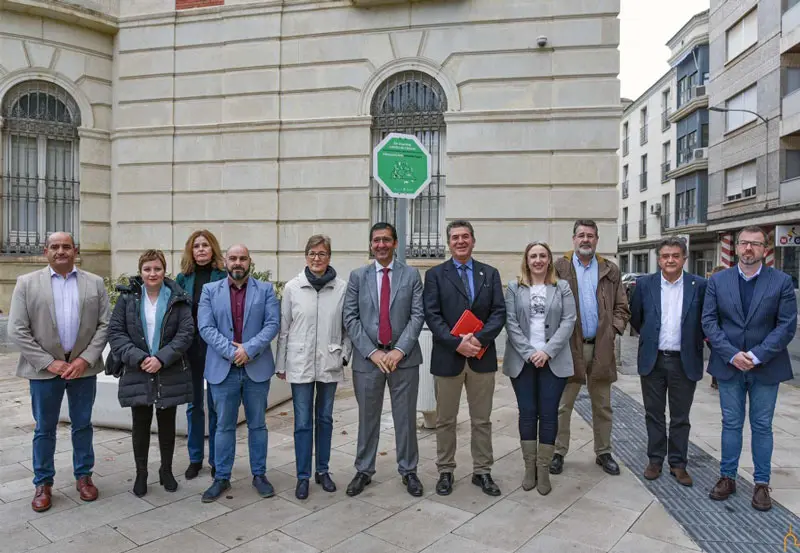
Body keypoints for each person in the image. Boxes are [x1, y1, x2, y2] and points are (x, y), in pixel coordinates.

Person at [8, 232, 109, 512]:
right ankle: (43, 482)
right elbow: (16, 329)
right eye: (55, 247)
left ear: (75, 250)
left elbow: (104, 325)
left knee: (83, 425)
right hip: (44, 371)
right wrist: (48, 362)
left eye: (66, 246)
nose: (61, 251)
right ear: (45, 251)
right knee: (44, 428)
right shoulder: (27, 284)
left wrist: (85, 360)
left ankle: (84, 476)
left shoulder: (95, 283)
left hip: (82, 370)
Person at [702, 226, 797, 512]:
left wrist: (755, 356)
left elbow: (786, 325)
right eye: (744, 243)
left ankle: (761, 484)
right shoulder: (718, 281)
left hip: (765, 367)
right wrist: (732, 355)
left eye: (755, 244)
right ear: (736, 246)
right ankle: (727, 477)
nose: (748, 249)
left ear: (765, 249)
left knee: (762, 426)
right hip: (729, 366)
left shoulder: (781, 282)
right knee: (730, 423)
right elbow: (709, 322)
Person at [423, 220, 506, 497]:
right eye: (455, 237)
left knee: (481, 420)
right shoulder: (435, 275)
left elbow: (499, 312)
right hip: (449, 357)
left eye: (465, 236)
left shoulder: (489, 274)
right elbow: (431, 315)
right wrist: (456, 343)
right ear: (449, 242)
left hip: (482, 357)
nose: (460, 241)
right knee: (445, 419)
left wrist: (478, 340)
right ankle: (445, 470)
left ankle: (482, 471)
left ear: (473, 241)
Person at [342, 223, 425, 498]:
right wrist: (373, 352)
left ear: (396, 243)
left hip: (404, 358)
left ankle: (409, 470)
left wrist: (399, 350)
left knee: (405, 418)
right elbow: (350, 318)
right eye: (376, 240)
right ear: (370, 245)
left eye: (386, 240)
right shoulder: (357, 276)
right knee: (367, 417)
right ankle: (364, 469)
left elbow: (417, 316)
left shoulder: (411, 275)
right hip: (368, 360)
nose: (381, 245)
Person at [198, 244, 280, 502]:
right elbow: (206, 327)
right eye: (233, 258)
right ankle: (221, 477)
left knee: (258, 425)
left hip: (256, 368)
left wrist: (249, 350)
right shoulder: (210, 291)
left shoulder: (265, 290)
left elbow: (272, 324)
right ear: (225, 261)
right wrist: (233, 352)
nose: (238, 263)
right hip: (223, 369)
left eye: (242, 258)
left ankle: (259, 474)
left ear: (249, 261)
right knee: (223, 426)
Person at [108, 250, 194, 497]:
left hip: (168, 369)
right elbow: (116, 332)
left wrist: (161, 358)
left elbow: (186, 333)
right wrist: (141, 358)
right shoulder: (128, 298)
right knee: (141, 423)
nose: (152, 273)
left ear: (163, 270)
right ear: (141, 271)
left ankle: (166, 470)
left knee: (167, 425)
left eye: (157, 269)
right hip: (139, 369)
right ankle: (141, 472)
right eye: (147, 269)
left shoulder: (178, 297)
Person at [550, 220, 630, 477]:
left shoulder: (610, 269)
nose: (586, 240)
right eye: (581, 235)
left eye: (591, 236)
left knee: (603, 404)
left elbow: (622, 306)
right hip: (569, 348)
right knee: (563, 405)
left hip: (600, 347)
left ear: (597, 239)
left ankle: (603, 451)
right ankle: (558, 452)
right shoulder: (559, 268)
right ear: (573, 239)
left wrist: (613, 331)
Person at [276, 235, 352, 500]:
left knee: (325, 419)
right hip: (299, 362)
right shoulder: (293, 288)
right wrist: (281, 363)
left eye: (322, 253)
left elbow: (348, 327)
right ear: (305, 256)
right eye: (312, 253)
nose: (317, 258)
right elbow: (284, 328)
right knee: (303, 421)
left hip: (330, 361)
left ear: (329, 257)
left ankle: (323, 469)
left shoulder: (341, 288)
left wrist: (344, 356)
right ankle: (302, 476)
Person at [629, 238, 706, 487]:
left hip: (684, 361)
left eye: (675, 255)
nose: (670, 260)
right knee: (653, 413)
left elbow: (705, 321)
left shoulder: (699, 286)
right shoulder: (644, 285)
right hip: (654, 359)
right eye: (665, 256)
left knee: (680, 416)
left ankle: (678, 463)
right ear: (658, 259)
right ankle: (655, 459)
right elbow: (636, 318)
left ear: (684, 258)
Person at [503, 241, 576, 495]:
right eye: (533, 256)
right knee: (527, 413)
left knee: (548, 414)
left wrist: (546, 352)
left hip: (553, 360)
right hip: (522, 361)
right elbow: (510, 323)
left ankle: (543, 469)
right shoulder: (514, 288)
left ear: (549, 260)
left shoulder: (562, 287)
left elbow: (569, 321)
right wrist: (530, 352)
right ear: (526, 259)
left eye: (542, 255)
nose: (538, 260)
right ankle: (529, 467)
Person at [175, 230, 227, 480]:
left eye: (206, 245)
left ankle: (217, 459)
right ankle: (195, 458)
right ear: (191, 250)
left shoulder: (223, 276)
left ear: (213, 248)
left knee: (216, 406)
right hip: (190, 350)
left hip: (216, 349)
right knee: (194, 406)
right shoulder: (182, 279)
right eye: (196, 246)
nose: (201, 250)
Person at [708, 265, 727, 390]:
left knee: (716, 354)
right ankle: (717, 379)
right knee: (719, 355)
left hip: (712, 333)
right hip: (715, 332)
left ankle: (715, 380)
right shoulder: (716, 291)